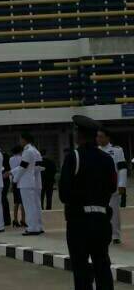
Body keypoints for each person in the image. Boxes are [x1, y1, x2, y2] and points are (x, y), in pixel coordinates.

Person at [61, 115, 117, 290]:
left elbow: (63, 193)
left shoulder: (74, 157)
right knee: (102, 264)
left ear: (80, 135)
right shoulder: (107, 158)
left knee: (81, 268)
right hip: (101, 221)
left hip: (79, 222)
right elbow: (112, 187)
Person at [97, 127, 127, 245]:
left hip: (113, 187)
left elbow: (122, 168)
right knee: (100, 213)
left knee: (114, 212)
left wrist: (122, 184)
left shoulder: (117, 150)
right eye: (97, 136)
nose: (98, 139)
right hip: (99, 187)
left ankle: (115, 235)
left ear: (107, 138)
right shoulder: (95, 150)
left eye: (101, 136)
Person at [16, 132, 44, 236]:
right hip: (32, 182)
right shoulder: (34, 151)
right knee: (34, 206)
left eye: (20, 139)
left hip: (26, 182)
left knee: (29, 206)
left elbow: (23, 167)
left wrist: (15, 178)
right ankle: (37, 226)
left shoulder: (27, 151)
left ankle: (32, 228)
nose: (20, 141)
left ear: (24, 139)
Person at [9, 145, 25, 228]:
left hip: (14, 180)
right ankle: (23, 219)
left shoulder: (11, 159)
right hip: (21, 180)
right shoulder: (22, 158)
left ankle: (15, 219)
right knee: (23, 202)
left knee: (16, 202)